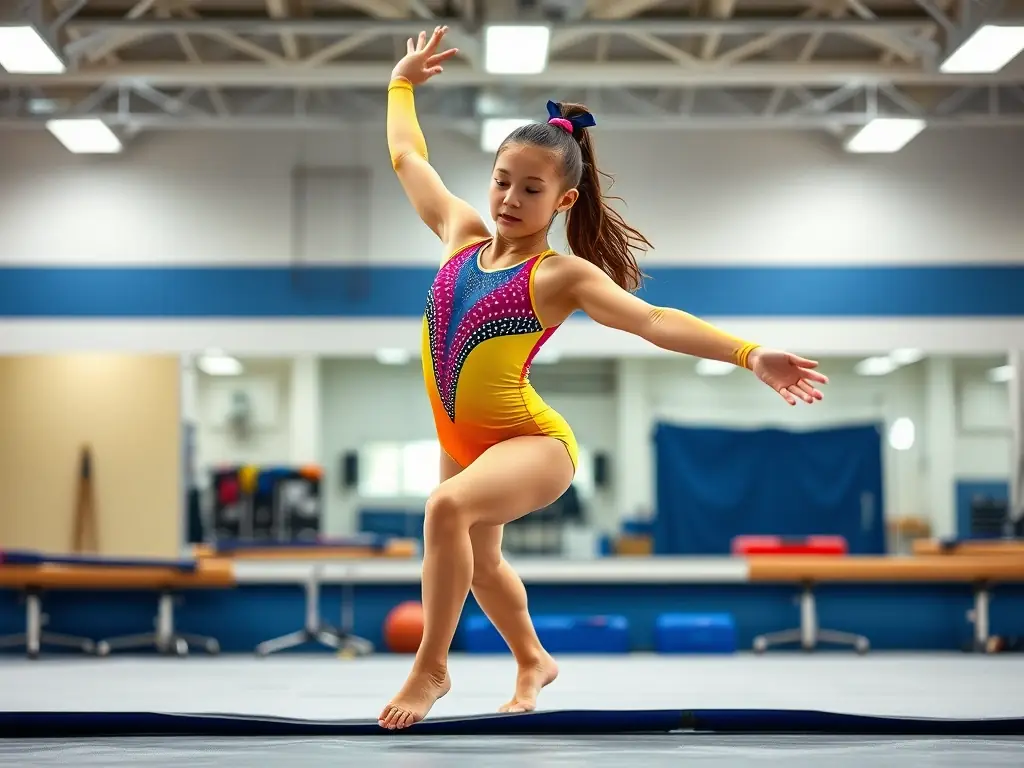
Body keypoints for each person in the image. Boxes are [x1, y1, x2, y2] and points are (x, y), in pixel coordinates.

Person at [379, 26, 828, 730]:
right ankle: (533, 659)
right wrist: (400, 85)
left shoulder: (558, 275)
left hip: (532, 443)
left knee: (444, 512)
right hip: (463, 441)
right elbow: (408, 155)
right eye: (502, 180)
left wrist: (749, 354)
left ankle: (431, 668)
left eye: (531, 189)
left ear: (561, 202)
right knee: (482, 561)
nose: (508, 198)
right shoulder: (458, 236)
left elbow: (652, 322)